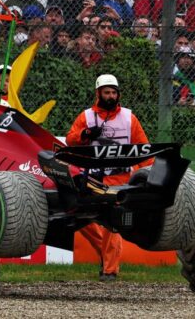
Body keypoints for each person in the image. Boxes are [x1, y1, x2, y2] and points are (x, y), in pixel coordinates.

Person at [65, 74, 149, 280]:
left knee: (113, 224)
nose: (111, 96)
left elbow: (142, 148)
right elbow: (70, 140)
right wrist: (85, 135)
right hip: (91, 181)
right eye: (107, 92)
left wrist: (147, 173)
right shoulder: (86, 116)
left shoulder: (130, 117)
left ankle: (110, 270)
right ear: (98, 94)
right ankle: (104, 256)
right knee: (81, 220)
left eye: (114, 92)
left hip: (120, 181)